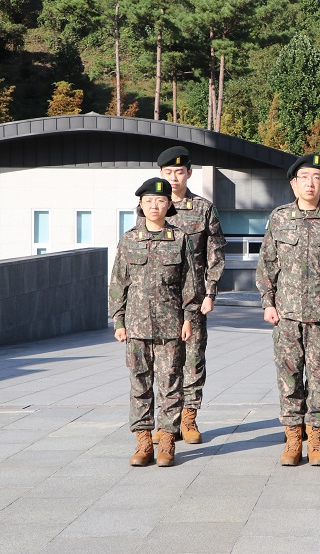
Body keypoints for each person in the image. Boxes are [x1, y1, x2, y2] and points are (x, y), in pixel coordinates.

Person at [256, 153, 320, 466]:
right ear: (293, 184)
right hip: (286, 315)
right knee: (289, 377)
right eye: (304, 178)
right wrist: (268, 302)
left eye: (316, 178)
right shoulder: (280, 218)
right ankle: (292, 437)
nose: (310, 184)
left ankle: (315, 436)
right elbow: (267, 262)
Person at [109, 177, 201, 468]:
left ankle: (168, 440)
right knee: (139, 384)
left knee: (170, 384)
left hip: (170, 325)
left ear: (169, 204)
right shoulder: (129, 239)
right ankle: (143, 442)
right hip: (137, 326)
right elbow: (118, 282)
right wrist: (118, 320)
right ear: (140, 204)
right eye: (148, 201)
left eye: (160, 201)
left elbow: (190, 283)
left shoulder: (180, 239)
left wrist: (189, 318)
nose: (154, 206)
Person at [156, 146, 226, 444]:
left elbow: (215, 252)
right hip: (160, 299)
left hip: (193, 298)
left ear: (189, 174)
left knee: (193, 358)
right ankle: (166, 421)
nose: (173, 178)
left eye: (179, 172)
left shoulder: (203, 208)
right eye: (168, 172)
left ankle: (189, 417)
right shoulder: (152, 205)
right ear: (161, 174)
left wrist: (211, 292)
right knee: (164, 362)